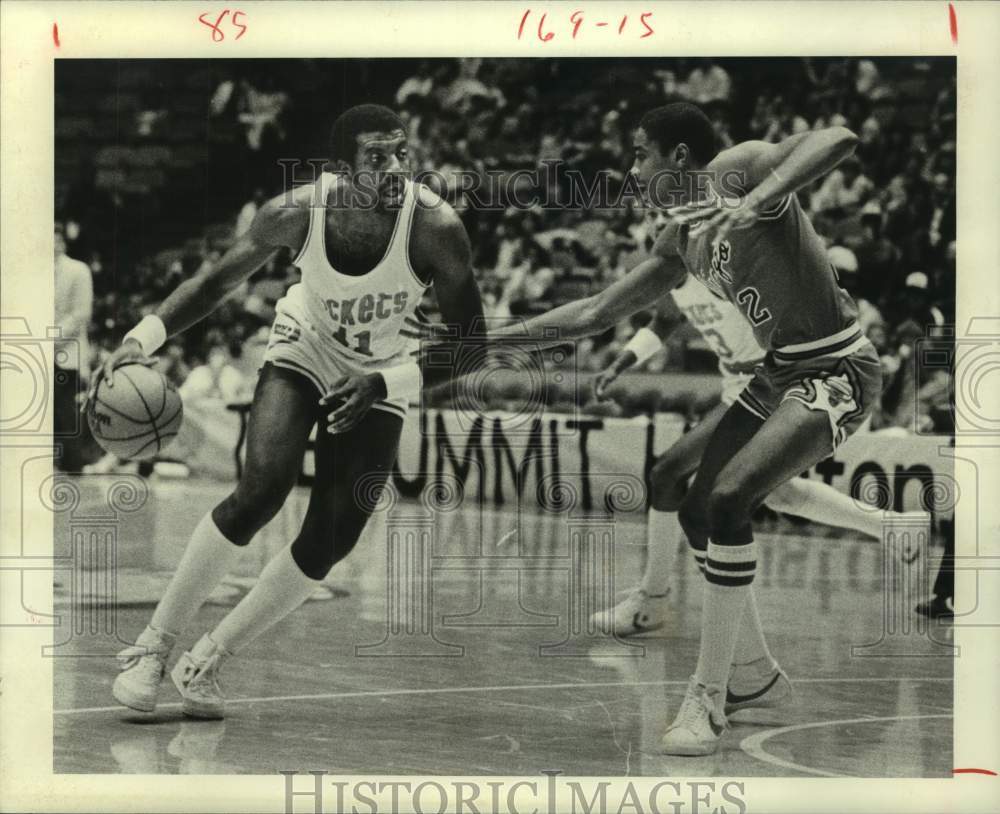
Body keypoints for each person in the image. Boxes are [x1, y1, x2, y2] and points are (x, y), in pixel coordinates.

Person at [490, 102, 883, 755]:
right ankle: (753, 675)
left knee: (729, 499)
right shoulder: (681, 237)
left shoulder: (735, 168)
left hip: (837, 366)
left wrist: (758, 198)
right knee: (694, 504)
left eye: (640, 153)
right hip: (778, 374)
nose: (632, 168)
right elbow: (596, 310)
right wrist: (491, 339)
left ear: (677, 157)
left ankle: (707, 697)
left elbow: (839, 136)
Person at [98, 104, 484, 719]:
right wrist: (141, 338)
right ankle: (153, 646)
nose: (394, 168)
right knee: (263, 488)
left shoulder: (436, 226)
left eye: (401, 153)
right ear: (341, 170)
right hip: (304, 344)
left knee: (334, 534)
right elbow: (214, 282)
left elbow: (472, 345)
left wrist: (384, 382)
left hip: (382, 368)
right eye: (376, 157)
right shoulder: (296, 212)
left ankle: (208, 658)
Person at [589, 218, 925, 640]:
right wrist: (622, 361)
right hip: (738, 384)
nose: (660, 226)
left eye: (667, 219)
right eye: (653, 221)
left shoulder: (720, 263)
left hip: (770, 382)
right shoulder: (675, 274)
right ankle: (891, 527)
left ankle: (654, 600)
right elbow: (665, 321)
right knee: (772, 492)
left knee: (670, 474)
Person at [54, 223, 94, 473]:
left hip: (66, 352)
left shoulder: (78, 270)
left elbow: (81, 314)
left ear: (62, 242)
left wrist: (48, 339)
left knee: (65, 411)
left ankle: (72, 466)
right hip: (35, 351)